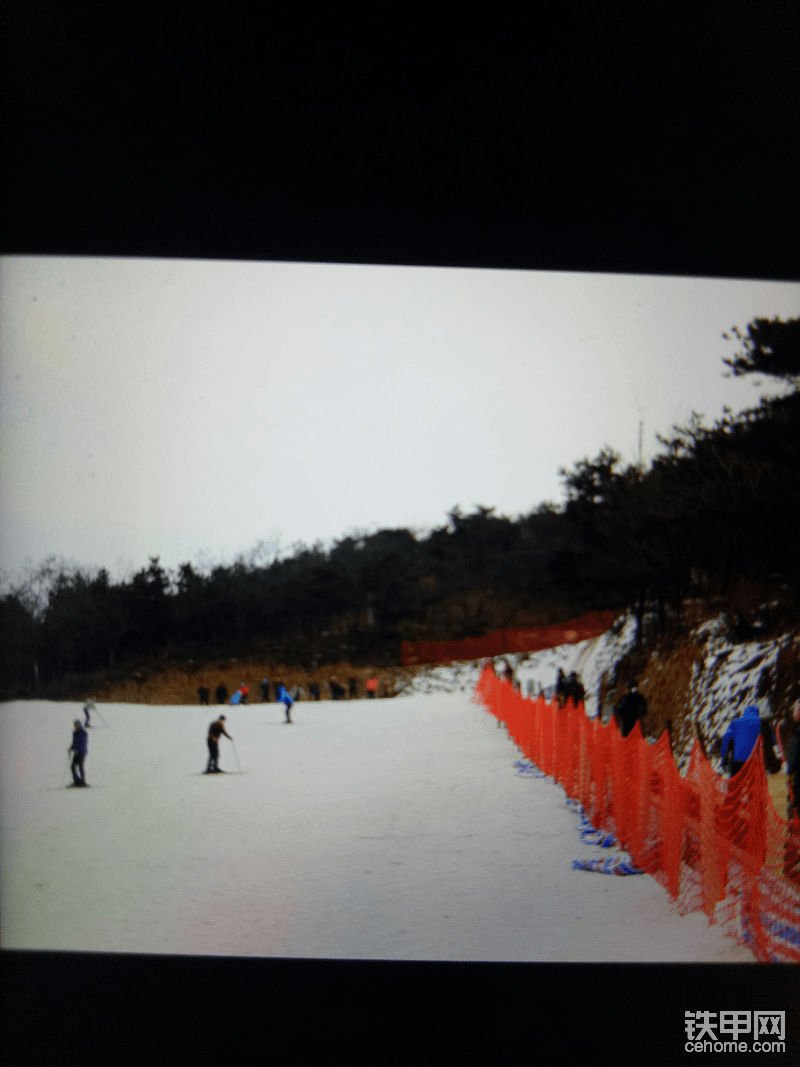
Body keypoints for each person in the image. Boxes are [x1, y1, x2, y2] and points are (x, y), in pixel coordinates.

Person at [720, 705, 762, 776]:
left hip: (737, 758)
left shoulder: (736, 723)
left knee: (736, 782)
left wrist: (723, 757)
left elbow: (727, 738)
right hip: (754, 758)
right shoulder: (760, 723)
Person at [69, 719, 89, 786]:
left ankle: (83, 781)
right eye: (75, 725)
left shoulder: (83, 733)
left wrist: (77, 750)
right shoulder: (74, 733)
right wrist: (71, 748)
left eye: (77, 725)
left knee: (80, 766)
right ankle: (76, 781)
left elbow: (83, 743)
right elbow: (74, 742)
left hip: (82, 752)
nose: (76, 726)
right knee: (72, 766)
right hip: (76, 752)